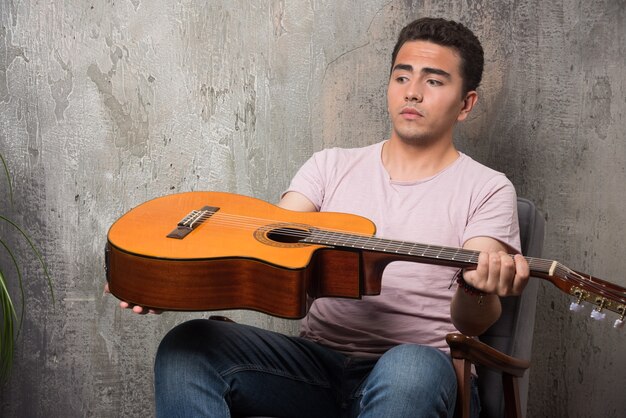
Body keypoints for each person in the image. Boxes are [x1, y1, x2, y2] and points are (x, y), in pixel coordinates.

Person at [107, 17, 530, 417]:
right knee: (188, 347)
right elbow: (256, 247)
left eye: (433, 81)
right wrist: (170, 282)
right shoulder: (329, 166)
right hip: (312, 367)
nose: (412, 92)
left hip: (420, 370)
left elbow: (473, 320)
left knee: (410, 366)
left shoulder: (487, 188)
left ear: (465, 103)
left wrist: (478, 288)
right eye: (402, 76)